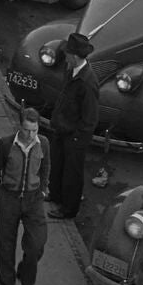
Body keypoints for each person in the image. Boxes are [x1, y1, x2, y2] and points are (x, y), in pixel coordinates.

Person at [0, 108, 50, 285]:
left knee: (36, 244)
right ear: (19, 126)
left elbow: (46, 167)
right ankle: (7, 283)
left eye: (34, 130)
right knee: (5, 244)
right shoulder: (6, 144)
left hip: (33, 199)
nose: (30, 135)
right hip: (9, 198)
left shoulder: (44, 144)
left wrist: (43, 189)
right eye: (26, 130)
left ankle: (26, 279)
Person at [47, 31, 99, 221]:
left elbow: (90, 117)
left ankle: (68, 209)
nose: (65, 57)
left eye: (67, 54)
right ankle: (55, 195)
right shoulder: (71, 71)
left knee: (72, 174)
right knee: (58, 165)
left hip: (74, 136)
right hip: (62, 129)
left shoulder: (87, 82)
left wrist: (78, 137)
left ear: (75, 56)